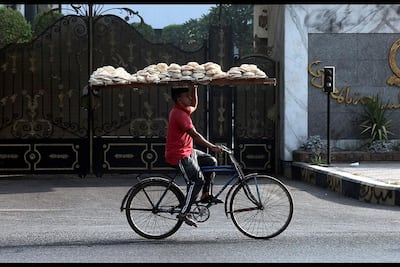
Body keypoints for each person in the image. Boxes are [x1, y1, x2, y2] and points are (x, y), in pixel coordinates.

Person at [165, 84, 223, 227]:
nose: (190, 98)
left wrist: (194, 88)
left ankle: (205, 194)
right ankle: (184, 212)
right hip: (178, 154)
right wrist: (211, 146)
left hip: (188, 151)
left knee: (211, 161)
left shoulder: (184, 109)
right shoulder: (179, 114)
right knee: (196, 181)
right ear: (179, 99)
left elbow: (194, 104)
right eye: (187, 96)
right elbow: (195, 136)